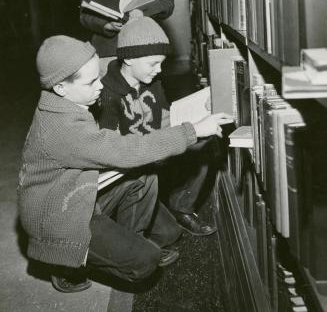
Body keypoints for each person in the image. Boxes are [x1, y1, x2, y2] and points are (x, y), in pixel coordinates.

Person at [17, 35, 232, 293]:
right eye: (91, 82)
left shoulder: (64, 104)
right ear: (61, 88)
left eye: (98, 76)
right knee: (146, 262)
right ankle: (67, 263)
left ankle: (127, 243)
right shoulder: (62, 128)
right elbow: (126, 150)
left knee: (144, 177)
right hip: (61, 218)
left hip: (77, 195)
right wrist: (192, 131)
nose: (100, 86)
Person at [97, 15, 219, 236]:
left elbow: (165, 116)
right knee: (167, 236)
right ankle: (128, 224)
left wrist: (203, 110)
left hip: (156, 152)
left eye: (162, 63)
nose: (159, 70)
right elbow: (111, 150)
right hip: (133, 166)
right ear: (130, 59)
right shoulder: (107, 94)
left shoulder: (152, 83)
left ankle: (181, 205)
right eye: (153, 63)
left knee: (206, 141)